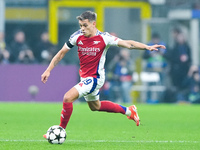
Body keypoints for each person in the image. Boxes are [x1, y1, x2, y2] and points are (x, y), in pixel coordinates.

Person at [41, 11, 166, 138]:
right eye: (80, 26)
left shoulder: (104, 38)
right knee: (96, 106)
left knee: (67, 98)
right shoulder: (76, 36)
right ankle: (129, 111)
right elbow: (62, 52)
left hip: (95, 78)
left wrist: (147, 47)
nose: (82, 29)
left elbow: (128, 44)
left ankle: (60, 131)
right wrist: (48, 70)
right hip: (85, 77)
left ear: (93, 24)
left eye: (85, 25)